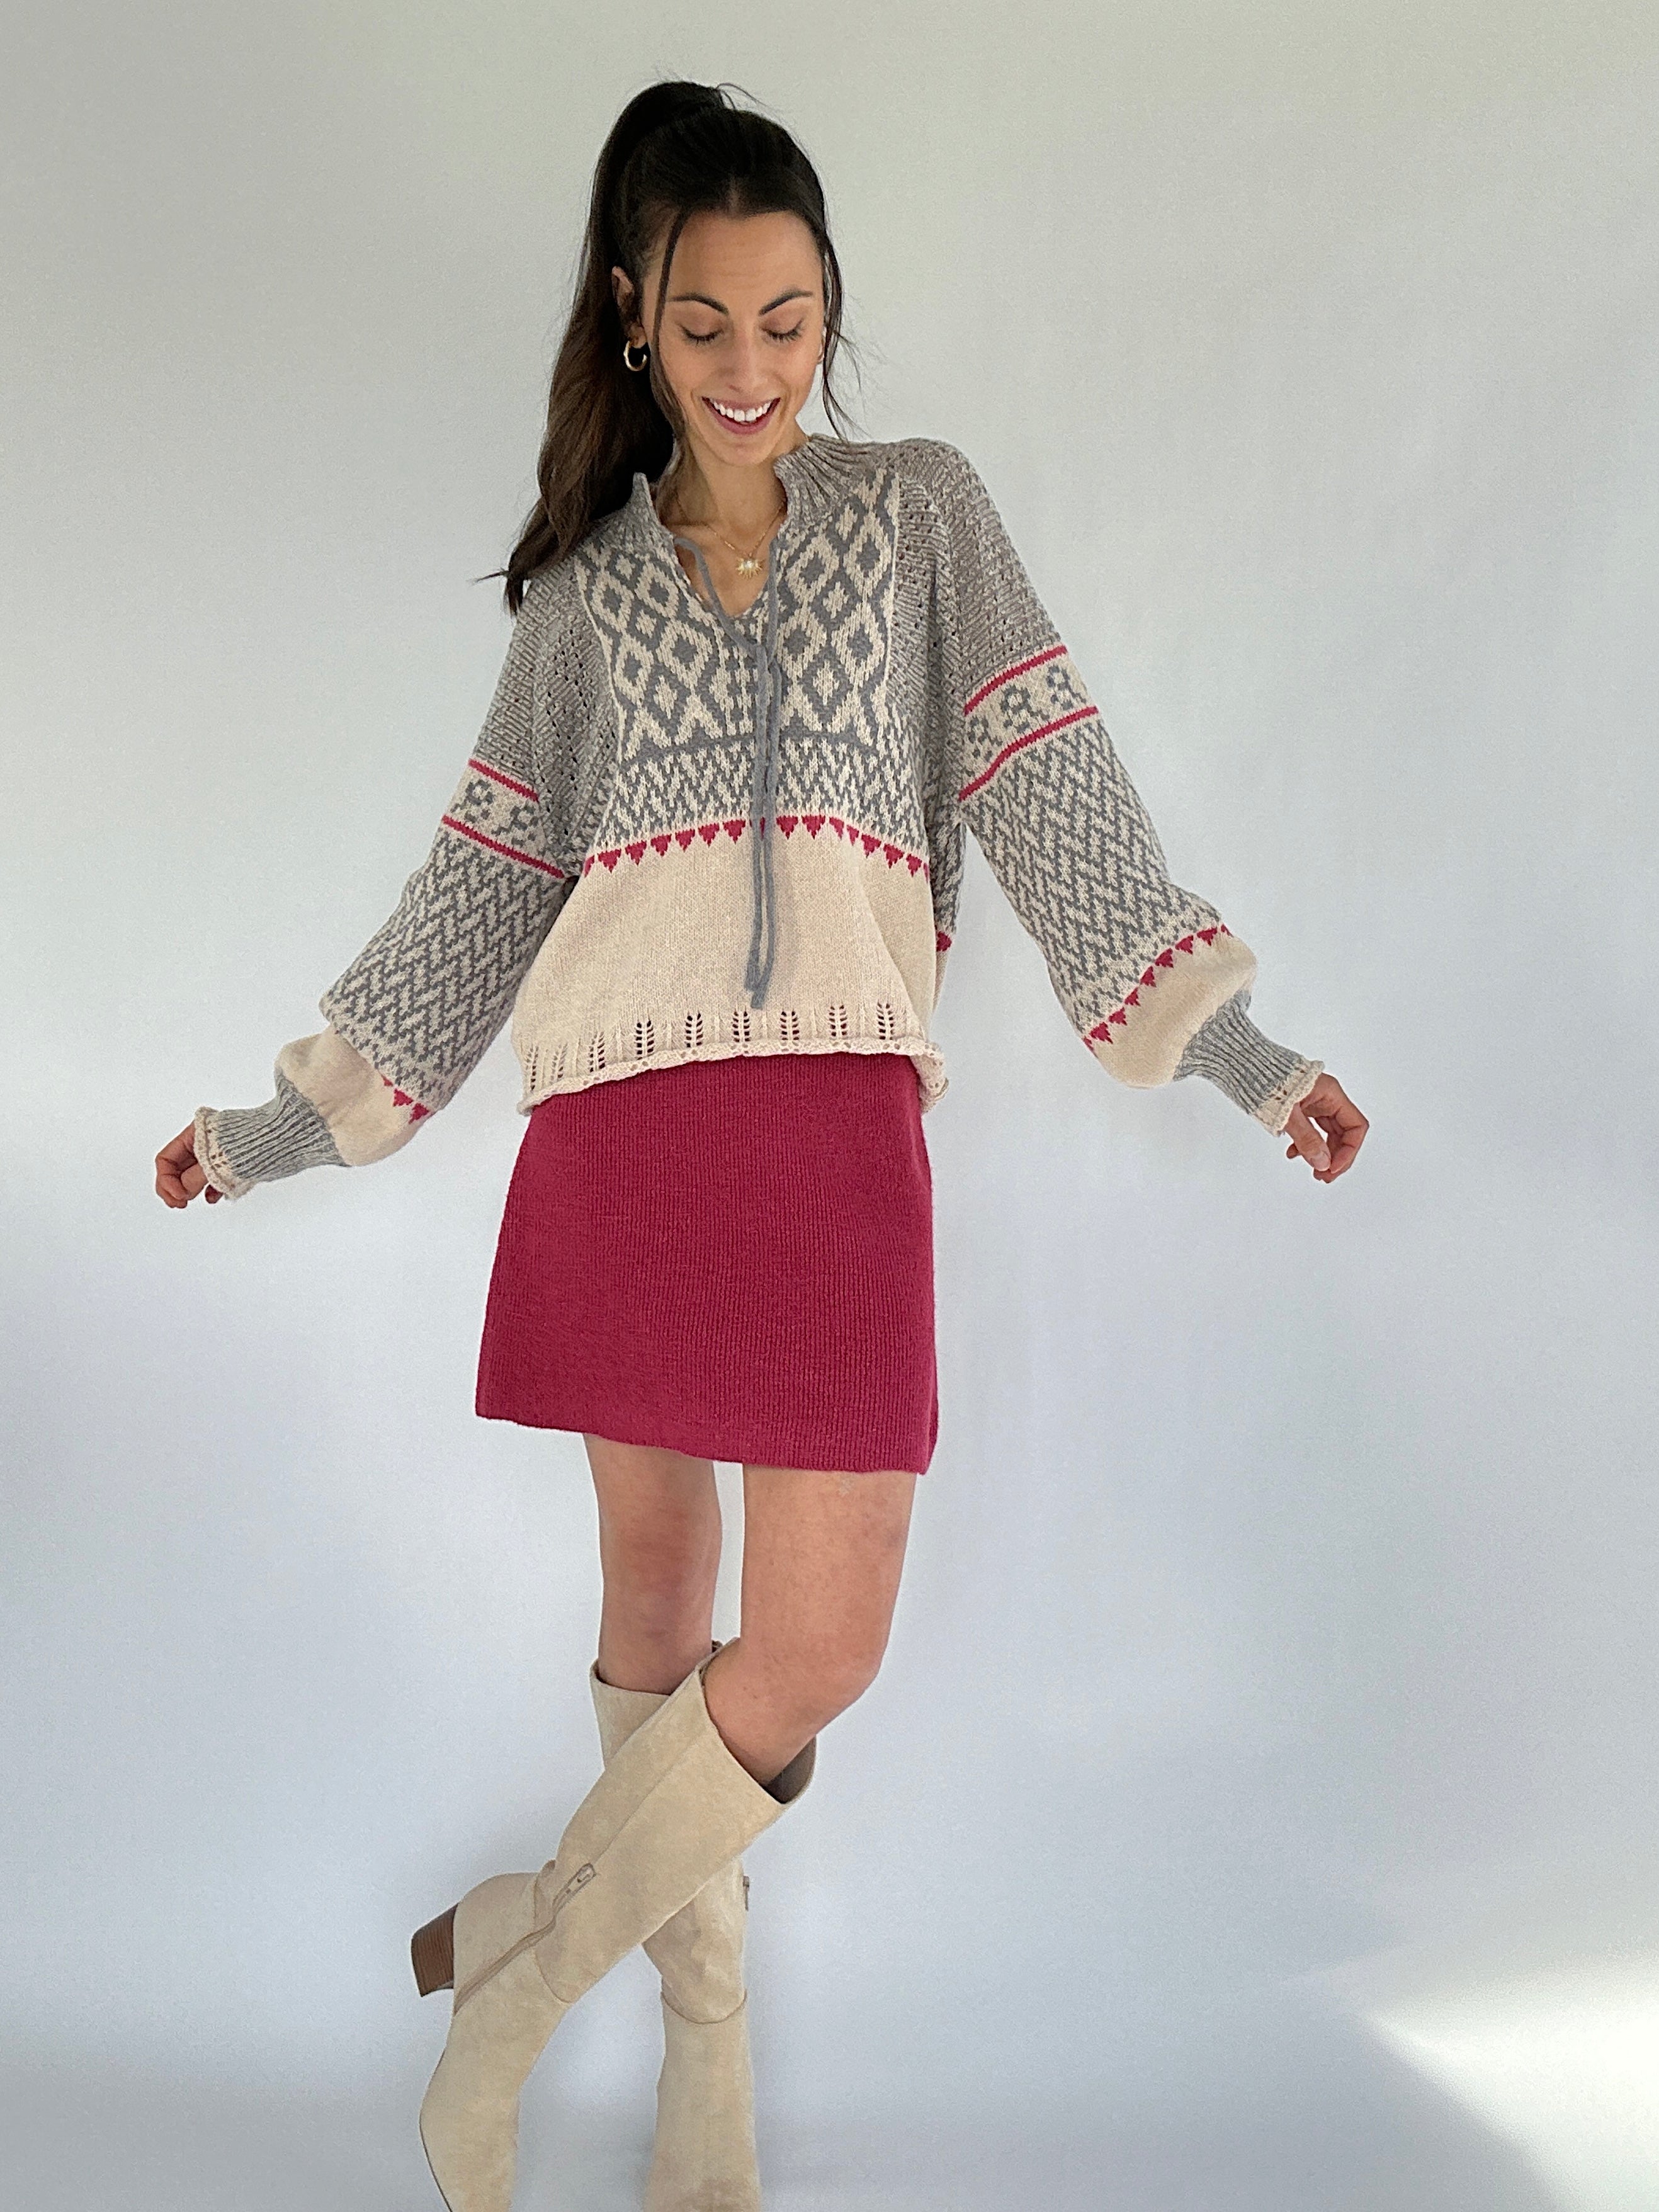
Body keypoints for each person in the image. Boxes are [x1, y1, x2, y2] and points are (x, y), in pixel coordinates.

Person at [153, 74, 1367, 2212]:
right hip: (621, 1138)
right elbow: (474, 898)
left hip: (834, 1136)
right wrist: (276, 1127)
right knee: (652, 1591)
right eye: (705, 321)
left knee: (816, 1650)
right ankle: (703, 2061)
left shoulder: (921, 517)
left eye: (789, 321)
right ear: (633, 315)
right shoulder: (574, 606)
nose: (750, 365)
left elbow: (1052, 790)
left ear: (829, 313)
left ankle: (515, 1976)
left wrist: (1238, 1050)